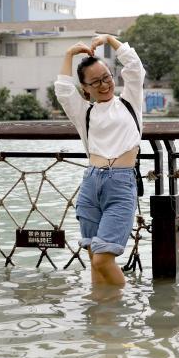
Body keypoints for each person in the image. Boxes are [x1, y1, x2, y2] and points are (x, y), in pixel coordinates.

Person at [55, 33, 145, 287]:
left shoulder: (129, 102)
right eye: (96, 82)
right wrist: (68, 55)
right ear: (85, 88)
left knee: (102, 260)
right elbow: (63, 90)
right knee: (94, 255)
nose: (104, 85)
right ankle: (100, 319)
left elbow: (134, 67)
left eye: (107, 78)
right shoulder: (84, 112)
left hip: (121, 183)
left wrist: (110, 40)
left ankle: (121, 308)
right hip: (91, 184)